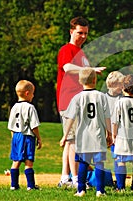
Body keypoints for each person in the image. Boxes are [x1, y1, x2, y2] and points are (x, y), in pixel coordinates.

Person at [56, 16, 105, 188]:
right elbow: (67, 68)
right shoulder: (67, 50)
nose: (83, 36)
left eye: (85, 33)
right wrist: (90, 69)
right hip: (69, 100)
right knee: (73, 141)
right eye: (79, 32)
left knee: (72, 141)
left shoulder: (81, 53)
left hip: (79, 101)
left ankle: (65, 178)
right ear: (71, 31)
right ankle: (76, 179)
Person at [60, 68, 111, 197]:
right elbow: (107, 117)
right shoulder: (102, 96)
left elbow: (70, 118)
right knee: (99, 163)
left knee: (83, 163)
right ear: (95, 79)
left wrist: (65, 136)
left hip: (82, 137)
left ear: (79, 81)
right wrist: (109, 134)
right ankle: (100, 191)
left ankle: (81, 190)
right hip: (98, 135)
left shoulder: (77, 98)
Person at [7, 80, 42, 191]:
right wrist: (39, 138)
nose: (33, 95)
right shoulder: (30, 107)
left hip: (16, 136)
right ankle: (30, 186)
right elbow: (34, 126)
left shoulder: (14, 107)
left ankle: (13, 185)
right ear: (27, 93)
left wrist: (14, 139)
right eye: (32, 93)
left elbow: (11, 126)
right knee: (28, 161)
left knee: (16, 161)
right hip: (27, 137)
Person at [104, 71, 125, 187]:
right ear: (112, 85)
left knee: (118, 158)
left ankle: (120, 184)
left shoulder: (122, 99)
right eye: (120, 85)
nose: (122, 87)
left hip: (119, 133)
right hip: (106, 133)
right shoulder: (103, 98)